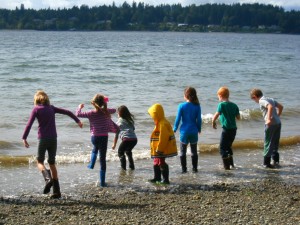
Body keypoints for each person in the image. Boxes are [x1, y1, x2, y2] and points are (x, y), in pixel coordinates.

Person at [22, 90, 83, 198]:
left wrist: (24, 137)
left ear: (36, 100)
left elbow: (29, 124)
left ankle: (47, 179)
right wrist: (77, 121)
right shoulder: (52, 108)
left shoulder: (36, 109)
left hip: (43, 139)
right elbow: (68, 112)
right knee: (52, 163)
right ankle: (57, 191)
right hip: (53, 139)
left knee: (39, 161)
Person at [76, 94, 119, 187]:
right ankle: (102, 183)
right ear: (103, 102)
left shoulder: (90, 113)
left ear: (94, 103)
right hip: (104, 137)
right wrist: (106, 101)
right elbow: (115, 110)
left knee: (95, 148)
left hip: (94, 137)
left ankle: (91, 164)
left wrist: (79, 107)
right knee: (102, 159)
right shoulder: (106, 111)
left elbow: (78, 114)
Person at [250, 89, 283, 168]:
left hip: (270, 124)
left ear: (254, 97)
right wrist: (277, 116)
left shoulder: (261, 100)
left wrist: (268, 119)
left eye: (253, 99)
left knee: (268, 143)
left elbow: (270, 106)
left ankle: (266, 164)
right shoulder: (270, 99)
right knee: (275, 142)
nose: (255, 101)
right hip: (278, 123)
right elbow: (281, 107)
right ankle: (276, 162)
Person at [173, 87, 202, 173]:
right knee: (194, 151)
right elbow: (199, 120)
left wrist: (174, 128)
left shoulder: (181, 106)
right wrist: (199, 128)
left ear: (185, 96)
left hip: (184, 132)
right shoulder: (197, 106)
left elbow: (177, 119)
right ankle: (194, 169)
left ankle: (184, 169)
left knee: (182, 151)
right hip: (193, 131)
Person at [148, 103, 177, 184]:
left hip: (162, 148)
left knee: (161, 162)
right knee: (156, 161)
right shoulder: (160, 122)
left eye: (152, 115)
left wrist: (160, 149)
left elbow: (164, 138)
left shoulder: (162, 124)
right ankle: (157, 178)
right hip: (159, 148)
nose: (152, 117)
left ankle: (165, 180)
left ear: (156, 114)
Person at [212, 87, 240, 170]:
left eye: (218, 96)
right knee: (228, 146)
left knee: (222, 148)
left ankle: (226, 167)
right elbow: (238, 117)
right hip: (233, 129)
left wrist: (213, 122)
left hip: (226, 129)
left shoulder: (221, 105)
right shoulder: (234, 105)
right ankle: (231, 164)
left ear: (220, 95)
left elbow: (217, 114)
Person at [112, 105, 138, 171]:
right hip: (134, 139)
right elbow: (133, 129)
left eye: (118, 112)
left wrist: (114, 144)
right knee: (128, 151)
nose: (117, 113)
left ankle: (123, 168)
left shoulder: (119, 121)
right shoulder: (130, 121)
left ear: (120, 113)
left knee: (120, 152)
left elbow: (116, 135)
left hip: (127, 139)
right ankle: (132, 166)